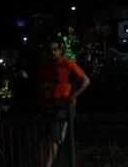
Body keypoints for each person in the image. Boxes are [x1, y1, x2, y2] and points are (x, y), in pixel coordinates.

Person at [37, 38, 90, 167]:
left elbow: (86, 81)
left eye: (55, 49)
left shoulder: (68, 64)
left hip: (62, 107)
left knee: (53, 139)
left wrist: (72, 97)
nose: (53, 52)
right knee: (42, 140)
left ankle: (47, 165)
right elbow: (41, 83)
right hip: (48, 105)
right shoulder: (46, 66)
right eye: (50, 50)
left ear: (60, 51)